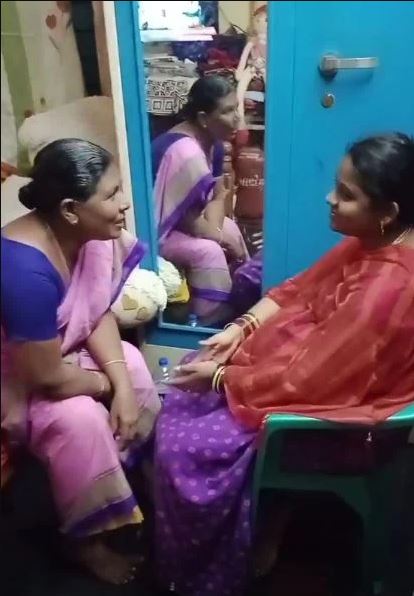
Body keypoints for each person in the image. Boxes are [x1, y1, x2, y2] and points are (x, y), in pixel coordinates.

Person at [153, 133, 414, 595]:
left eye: (346, 194)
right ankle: (261, 511)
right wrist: (240, 329)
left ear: (388, 212)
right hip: (300, 370)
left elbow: (308, 382)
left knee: (182, 447)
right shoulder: (373, 242)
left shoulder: (388, 287)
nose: (329, 198)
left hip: (337, 424)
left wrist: (221, 378)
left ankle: (200, 569)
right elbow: (298, 289)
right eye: (336, 185)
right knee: (200, 367)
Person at [1, 139, 161, 584]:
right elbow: (45, 376)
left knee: (132, 364)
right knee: (77, 420)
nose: (124, 203)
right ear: (70, 209)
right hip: (19, 375)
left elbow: (94, 311)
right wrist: (107, 386)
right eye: (111, 195)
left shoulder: (88, 237)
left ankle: (136, 480)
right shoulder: (24, 270)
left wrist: (123, 384)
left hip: (56, 356)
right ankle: (84, 540)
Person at [151, 76, 249, 320]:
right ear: (204, 119)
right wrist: (219, 239)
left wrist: (219, 232)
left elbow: (217, 197)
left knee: (231, 229)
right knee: (208, 252)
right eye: (227, 111)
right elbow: (187, 219)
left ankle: (243, 303)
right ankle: (210, 322)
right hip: (158, 229)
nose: (237, 118)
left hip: (187, 221)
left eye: (236, 108)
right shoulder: (186, 152)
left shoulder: (214, 145)